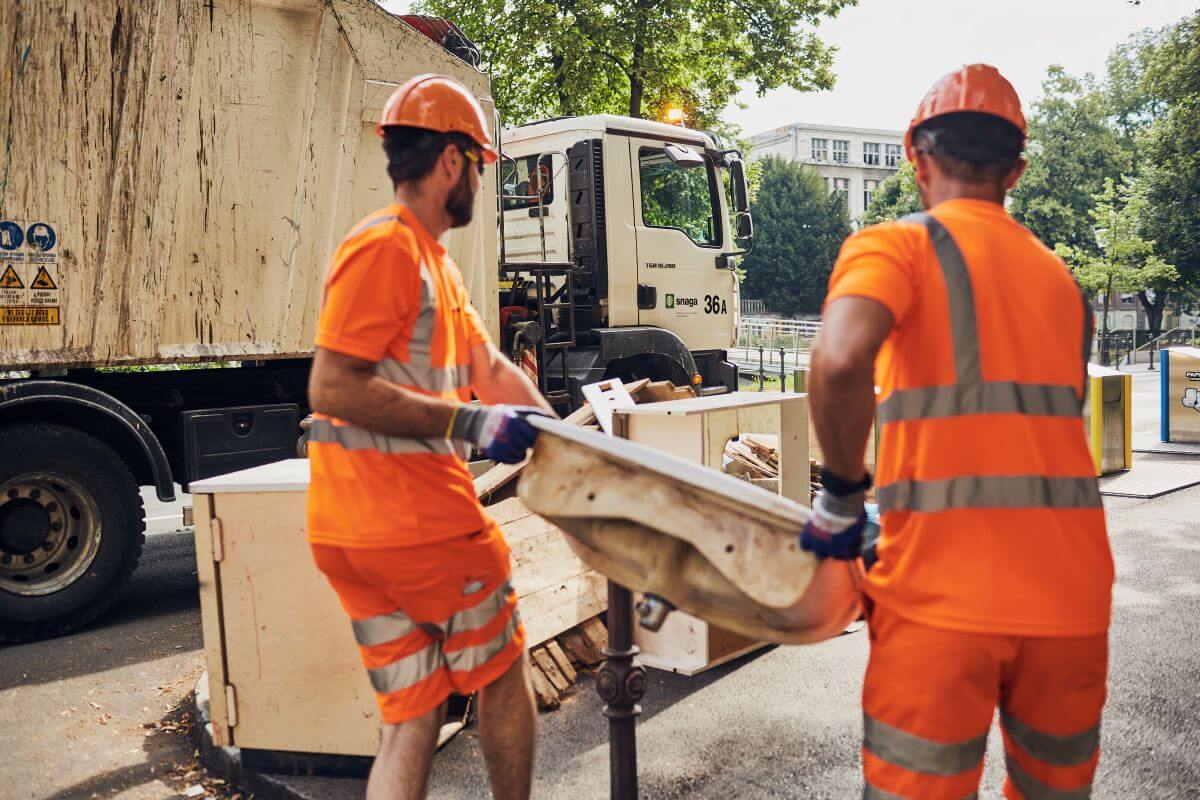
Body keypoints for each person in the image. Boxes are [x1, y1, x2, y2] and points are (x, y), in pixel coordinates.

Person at [802, 64, 1113, 799]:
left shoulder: (898, 247)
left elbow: (841, 358)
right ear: (1017, 170)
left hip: (941, 602)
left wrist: (841, 499)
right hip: (1071, 605)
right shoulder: (1065, 286)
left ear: (917, 158)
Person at [306, 74, 554, 800]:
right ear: (451, 162)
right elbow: (333, 386)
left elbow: (489, 367)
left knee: (412, 716)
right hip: (416, 521)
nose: (479, 179)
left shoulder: (432, 263)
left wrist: (566, 441)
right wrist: (470, 422)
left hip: (354, 533)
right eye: (477, 164)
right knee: (504, 673)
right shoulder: (386, 247)